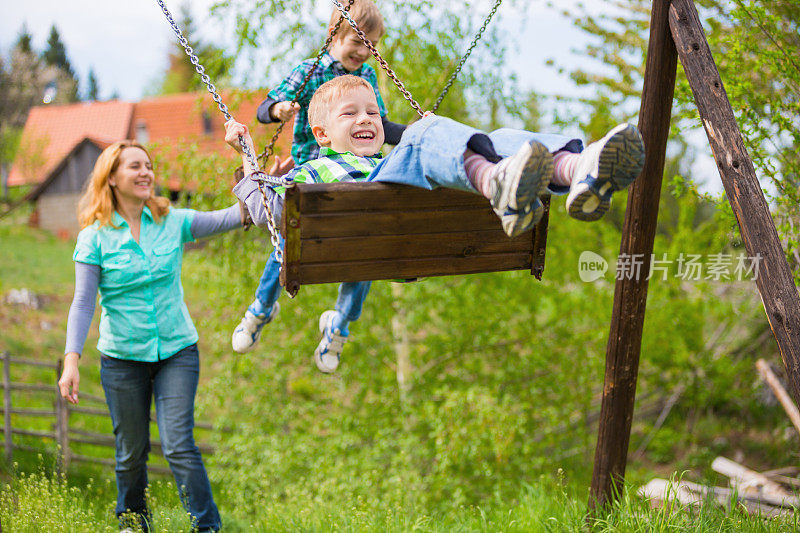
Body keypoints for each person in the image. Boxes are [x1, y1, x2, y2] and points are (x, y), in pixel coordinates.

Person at [228, 75, 646, 373]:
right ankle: (500, 183)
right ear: (320, 134)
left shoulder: (388, 162)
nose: (367, 119)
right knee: (425, 131)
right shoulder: (311, 171)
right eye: (350, 113)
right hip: (373, 216)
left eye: (373, 111)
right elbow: (267, 210)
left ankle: (578, 170)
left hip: (398, 219)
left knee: (490, 137)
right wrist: (250, 163)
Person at [57, 141, 248, 532]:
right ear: (111, 177)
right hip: (122, 358)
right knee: (131, 452)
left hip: (177, 352)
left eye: (148, 165)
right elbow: (82, 303)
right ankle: (132, 521)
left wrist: (261, 185)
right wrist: (71, 360)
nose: (146, 172)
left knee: (179, 444)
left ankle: (206, 526)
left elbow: (235, 216)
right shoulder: (94, 238)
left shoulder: (173, 221)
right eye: (134, 166)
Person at [231, 0, 407, 357]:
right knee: (288, 241)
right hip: (313, 172)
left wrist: (418, 133)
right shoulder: (311, 70)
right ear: (334, 35)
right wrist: (281, 109)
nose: (364, 51)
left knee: (363, 246)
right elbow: (267, 108)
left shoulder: (367, 78)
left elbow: (382, 127)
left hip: (357, 175)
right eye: (357, 41)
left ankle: (338, 324)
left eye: (370, 44)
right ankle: (261, 308)